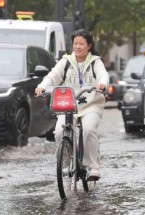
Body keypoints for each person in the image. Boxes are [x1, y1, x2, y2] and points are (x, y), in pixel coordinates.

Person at [35, 29, 109, 181]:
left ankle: (93, 167)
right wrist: (42, 86)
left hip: (91, 104)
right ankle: (66, 158)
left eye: (81, 44)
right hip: (69, 105)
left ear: (89, 45)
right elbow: (53, 76)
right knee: (58, 132)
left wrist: (102, 84)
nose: (78, 47)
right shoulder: (66, 61)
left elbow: (103, 75)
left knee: (88, 130)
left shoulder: (95, 61)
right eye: (75, 44)